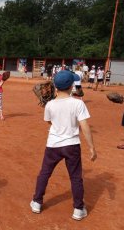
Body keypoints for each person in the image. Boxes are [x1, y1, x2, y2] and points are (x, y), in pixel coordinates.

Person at [30, 70, 97, 221]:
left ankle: (37, 202)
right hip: (72, 145)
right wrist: (92, 147)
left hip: (53, 144)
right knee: (75, 177)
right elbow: (84, 126)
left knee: (44, 174)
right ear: (72, 86)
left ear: (55, 86)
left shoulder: (50, 105)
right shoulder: (78, 103)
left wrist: (59, 122)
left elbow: (49, 121)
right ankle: (78, 209)